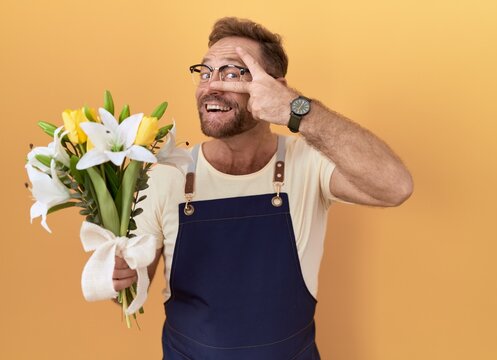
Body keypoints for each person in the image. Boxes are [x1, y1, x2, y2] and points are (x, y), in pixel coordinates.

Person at [112, 17, 413, 359]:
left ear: (274, 86)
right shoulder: (166, 174)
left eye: (231, 73)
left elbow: (395, 186)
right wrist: (117, 275)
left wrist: (297, 109)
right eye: (206, 72)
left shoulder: (308, 163)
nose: (211, 86)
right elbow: (133, 285)